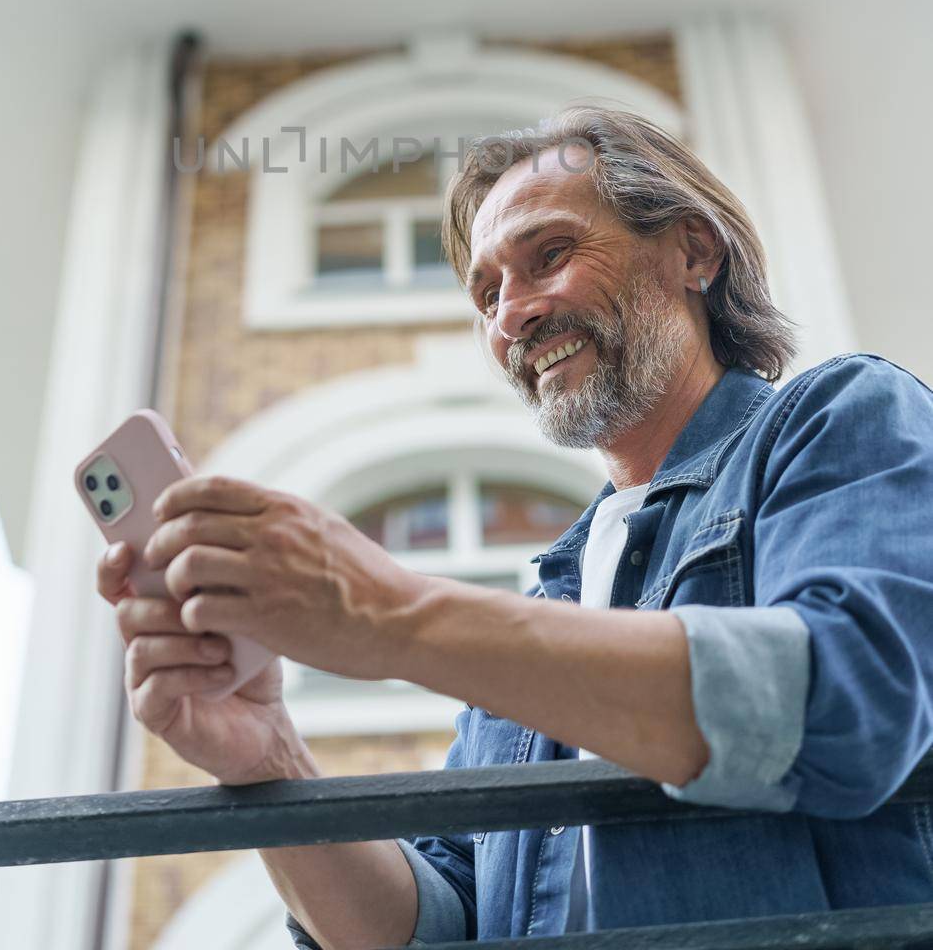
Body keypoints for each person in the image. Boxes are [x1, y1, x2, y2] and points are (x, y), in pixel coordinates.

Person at [96, 106, 933, 945]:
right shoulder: (555, 591)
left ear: (693, 251)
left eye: (549, 255)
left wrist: (389, 615)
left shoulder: (840, 415)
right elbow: (438, 926)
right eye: (487, 293)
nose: (511, 316)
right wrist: (267, 760)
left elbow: (851, 700)